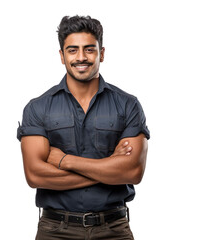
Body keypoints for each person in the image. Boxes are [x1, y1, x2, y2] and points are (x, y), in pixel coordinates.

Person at [17, 15, 150, 240]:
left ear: (102, 53)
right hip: (55, 230)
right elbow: (34, 175)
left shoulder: (128, 105)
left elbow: (133, 172)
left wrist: (64, 161)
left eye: (89, 49)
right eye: (72, 50)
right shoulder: (38, 108)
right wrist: (109, 168)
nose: (81, 57)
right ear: (62, 56)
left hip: (113, 229)